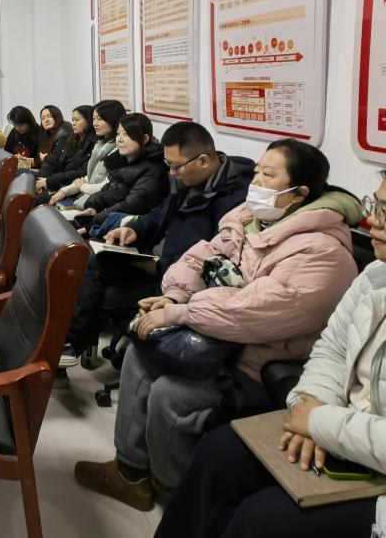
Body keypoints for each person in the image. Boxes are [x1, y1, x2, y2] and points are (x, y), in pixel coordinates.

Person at [75, 139, 361, 509]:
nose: (255, 182)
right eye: (256, 172)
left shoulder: (322, 253)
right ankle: (130, 472)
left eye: (268, 175)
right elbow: (201, 258)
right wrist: (174, 296)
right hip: (216, 340)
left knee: (169, 394)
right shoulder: (249, 219)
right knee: (138, 357)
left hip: (257, 363)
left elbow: (250, 310)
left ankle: (175, 494)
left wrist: (182, 312)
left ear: (299, 193)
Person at [155, 176, 386, 538]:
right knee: (217, 454)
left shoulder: (321, 251)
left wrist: (319, 423)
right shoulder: (375, 274)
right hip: (331, 422)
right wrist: (312, 404)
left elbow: (254, 309)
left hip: (361, 451)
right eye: (377, 205)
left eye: (385, 211)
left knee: (262, 519)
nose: (374, 221)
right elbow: (332, 348)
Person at [59, 121, 255, 368]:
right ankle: (68, 344)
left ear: (203, 161)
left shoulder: (235, 202)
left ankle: (71, 347)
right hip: (154, 260)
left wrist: (158, 266)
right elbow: (159, 214)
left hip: (179, 282)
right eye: (168, 165)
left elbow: (213, 261)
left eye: (175, 167)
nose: (171, 173)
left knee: (105, 297)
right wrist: (134, 229)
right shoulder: (185, 179)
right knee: (92, 259)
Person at [69, 112, 168, 228]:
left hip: (123, 228)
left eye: (126, 134)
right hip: (103, 220)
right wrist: (94, 207)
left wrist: (91, 224)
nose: (119, 140)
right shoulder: (123, 160)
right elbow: (109, 192)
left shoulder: (153, 170)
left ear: (145, 139)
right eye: (118, 133)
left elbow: (130, 206)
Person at [49, 99, 126, 209]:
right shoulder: (99, 144)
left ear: (113, 119)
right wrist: (64, 190)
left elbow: (106, 186)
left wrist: (82, 186)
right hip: (85, 196)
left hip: (97, 203)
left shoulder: (120, 150)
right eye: (93, 119)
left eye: (100, 119)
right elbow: (90, 177)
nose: (95, 123)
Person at [34, 105, 95, 202]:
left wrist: (49, 181)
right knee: (29, 185)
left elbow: (80, 172)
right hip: (57, 183)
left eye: (77, 120)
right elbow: (51, 162)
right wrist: (40, 181)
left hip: (72, 188)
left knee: (37, 200)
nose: (73, 123)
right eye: (73, 120)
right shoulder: (68, 138)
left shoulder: (93, 143)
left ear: (89, 121)